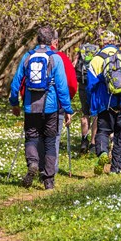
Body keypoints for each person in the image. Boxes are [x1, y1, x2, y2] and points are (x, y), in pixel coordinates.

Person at [9, 26, 73, 190]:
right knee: (50, 141)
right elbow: (62, 87)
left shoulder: (27, 56)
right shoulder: (56, 58)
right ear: (52, 40)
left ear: (37, 40)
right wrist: (67, 110)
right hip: (51, 107)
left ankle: (33, 163)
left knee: (31, 138)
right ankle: (49, 180)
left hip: (31, 107)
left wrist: (15, 104)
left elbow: (16, 83)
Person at [87, 30, 121, 175]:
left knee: (103, 132)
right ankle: (116, 168)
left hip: (105, 103)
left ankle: (103, 153)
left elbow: (90, 86)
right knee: (120, 134)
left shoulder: (96, 59)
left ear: (102, 42)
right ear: (115, 42)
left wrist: (92, 107)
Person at [37, 30, 78, 180]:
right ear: (55, 42)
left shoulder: (31, 56)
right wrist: (67, 103)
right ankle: (49, 172)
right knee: (53, 137)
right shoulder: (61, 58)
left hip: (34, 103)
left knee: (37, 136)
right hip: (55, 104)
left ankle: (39, 166)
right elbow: (71, 84)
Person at [73, 42, 99, 153]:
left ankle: (84, 140)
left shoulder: (81, 52)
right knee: (95, 115)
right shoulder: (98, 53)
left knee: (85, 113)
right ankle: (93, 143)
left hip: (83, 86)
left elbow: (74, 66)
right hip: (94, 86)